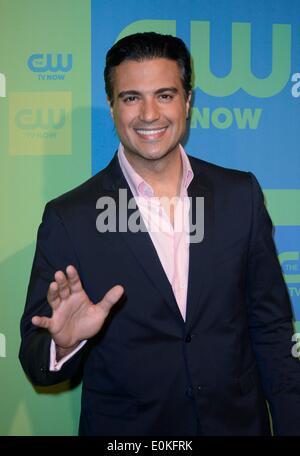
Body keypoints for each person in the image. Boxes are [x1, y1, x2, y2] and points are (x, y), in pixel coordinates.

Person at [19, 32, 300, 436]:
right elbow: (34, 355)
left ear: (187, 101)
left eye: (165, 95)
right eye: (132, 97)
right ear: (113, 107)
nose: (149, 114)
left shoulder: (241, 196)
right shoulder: (70, 218)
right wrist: (63, 344)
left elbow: (271, 330)